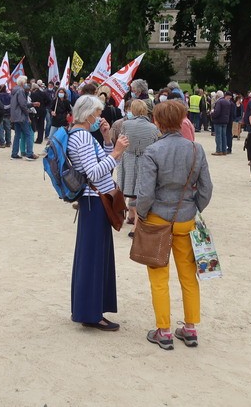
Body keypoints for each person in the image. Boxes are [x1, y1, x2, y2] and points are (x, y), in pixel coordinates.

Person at [135, 100, 213, 350]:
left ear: (156, 122)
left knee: (159, 277)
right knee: (189, 276)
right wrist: (195, 207)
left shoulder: (153, 151)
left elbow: (145, 192)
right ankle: (190, 328)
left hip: (158, 218)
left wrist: (143, 214)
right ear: (182, 120)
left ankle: (164, 330)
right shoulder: (195, 149)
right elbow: (206, 188)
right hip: (185, 218)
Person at [67, 95, 129, 331]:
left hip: (94, 201)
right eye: (97, 112)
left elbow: (98, 163)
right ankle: (91, 313)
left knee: (92, 258)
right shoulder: (82, 136)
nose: (99, 117)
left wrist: (107, 141)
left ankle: (88, 308)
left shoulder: (79, 134)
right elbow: (94, 172)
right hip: (95, 201)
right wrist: (116, 153)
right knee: (93, 259)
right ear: (87, 114)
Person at [115, 99, 160, 226]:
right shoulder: (153, 128)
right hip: (145, 160)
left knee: (126, 188)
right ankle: (135, 222)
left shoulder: (126, 124)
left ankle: (125, 216)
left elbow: (121, 140)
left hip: (128, 158)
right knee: (140, 191)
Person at [10, 76, 36, 160]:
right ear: (22, 83)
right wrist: (27, 115)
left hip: (15, 116)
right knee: (28, 134)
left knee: (17, 135)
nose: (26, 83)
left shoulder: (14, 90)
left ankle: (14, 153)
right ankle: (29, 153)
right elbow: (23, 105)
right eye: (25, 82)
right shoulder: (21, 91)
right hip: (21, 116)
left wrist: (32, 104)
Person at [210, 90, 233, 155]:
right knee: (224, 136)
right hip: (225, 120)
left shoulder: (219, 102)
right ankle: (224, 150)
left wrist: (212, 114)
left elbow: (217, 112)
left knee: (218, 136)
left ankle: (219, 150)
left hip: (218, 120)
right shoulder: (228, 102)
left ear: (217, 95)